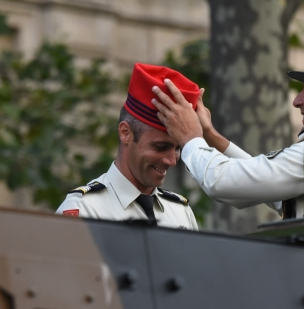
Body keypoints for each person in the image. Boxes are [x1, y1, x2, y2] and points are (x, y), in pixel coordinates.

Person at [151, 35, 304, 219]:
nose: (297, 101)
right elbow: (273, 190)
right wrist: (212, 137)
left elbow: (225, 183)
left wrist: (190, 138)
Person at [56, 63, 199, 230]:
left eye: (177, 148)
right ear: (125, 133)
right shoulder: (85, 210)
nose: (172, 161)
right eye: (160, 146)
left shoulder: (181, 212)